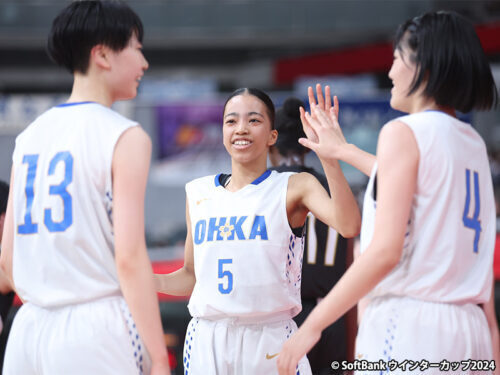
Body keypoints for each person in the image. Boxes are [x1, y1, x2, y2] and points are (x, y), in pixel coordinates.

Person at [277, 11, 499, 375]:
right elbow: (406, 177)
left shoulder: (403, 132)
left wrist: (313, 325)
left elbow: (384, 253)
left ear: (423, 67)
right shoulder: (471, 142)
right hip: (471, 332)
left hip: (413, 327)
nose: (391, 70)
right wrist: (342, 151)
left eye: (397, 58)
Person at [0, 1, 170, 374]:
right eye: (137, 48)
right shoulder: (124, 135)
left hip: (27, 330)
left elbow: (7, 262)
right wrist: (159, 358)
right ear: (103, 54)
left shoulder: (28, 137)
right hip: (93, 329)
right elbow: (129, 259)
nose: (144, 63)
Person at [154, 87, 361, 374]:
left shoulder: (295, 185)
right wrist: (146, 281)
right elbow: (191, 276)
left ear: (272, 136)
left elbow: (349, 225)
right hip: (208, 338)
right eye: (231, 121)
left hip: (270, 338)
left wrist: (329, 157)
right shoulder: (198, 192)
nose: (241, 128)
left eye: (253, 120)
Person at [269, 97, 353, 374]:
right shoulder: (336, 187)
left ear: (271, 143)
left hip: (284, 319)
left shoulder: (265, 189)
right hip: (333, 317)